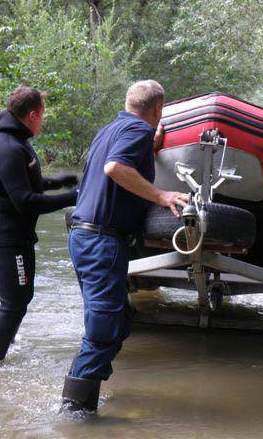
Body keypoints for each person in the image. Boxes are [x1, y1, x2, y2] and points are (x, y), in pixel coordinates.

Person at [60, 80, 188, 413]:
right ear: (158, 109)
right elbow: (115, 168)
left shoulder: (110, 130)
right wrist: (161, 195)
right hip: (102, 241)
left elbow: (113, 162)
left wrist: (150, 145)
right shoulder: (137, 133)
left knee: (117, 320)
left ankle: (81, 395)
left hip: (83, 236)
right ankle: (74, 414)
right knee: (105, 331)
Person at [0, 86, 78, 365]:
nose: (42, 121)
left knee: (21, 299)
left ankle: (6, 347)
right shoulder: (9, 147)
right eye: (42, 116)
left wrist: (60, 181)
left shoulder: (15, 139)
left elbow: (25, 181)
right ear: (33, 114)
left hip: (15, 234)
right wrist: (72, 198)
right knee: (13, 305)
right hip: (7, 236)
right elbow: (25, 200)